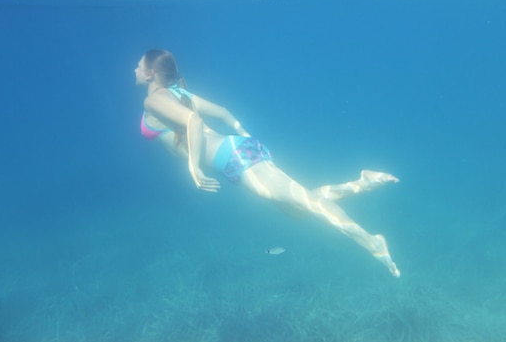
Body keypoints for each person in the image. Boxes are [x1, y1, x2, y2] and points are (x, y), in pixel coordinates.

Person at [135, 49, 401, 277]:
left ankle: (372, 242)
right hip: (237, 152)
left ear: (150, 73)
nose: (134, 68)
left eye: (139, 65)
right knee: (297, 210)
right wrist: (247, 140)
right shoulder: (179, 92)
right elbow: (225, 114)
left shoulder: (155, 99)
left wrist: (193, 167)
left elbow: (193, 122)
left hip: (235, 157)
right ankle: (362, 182)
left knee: (309, 204)